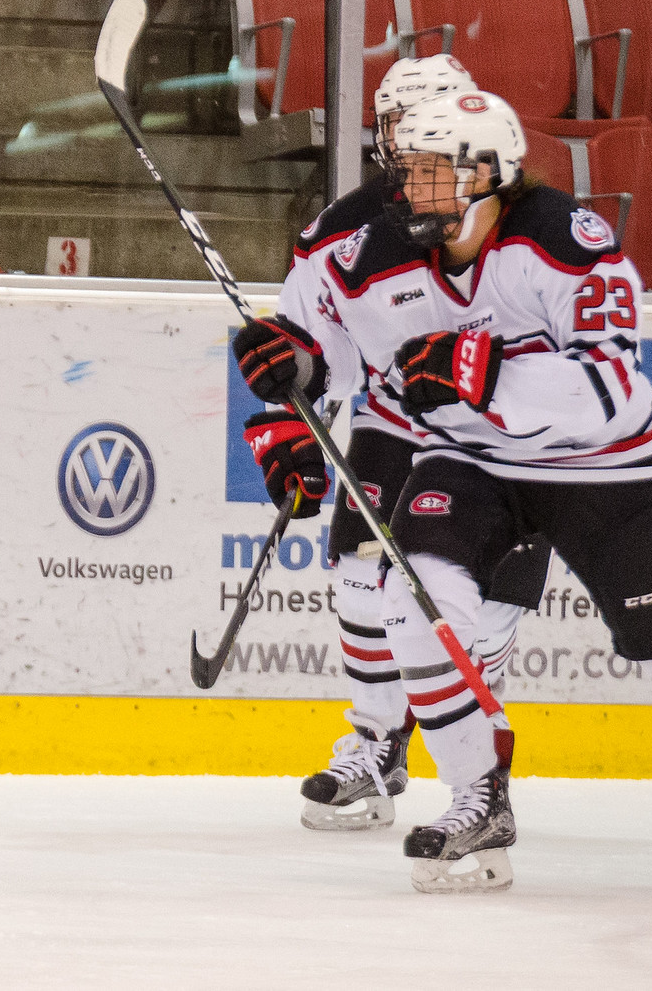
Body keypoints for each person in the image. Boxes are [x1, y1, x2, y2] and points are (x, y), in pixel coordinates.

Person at [238, 89, 652, 893]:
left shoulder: (567, 243)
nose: (404, 188)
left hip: (606, 471)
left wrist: (486, 371)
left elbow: (611, 392)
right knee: (412, 603)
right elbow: (333, 350)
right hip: (469, 464)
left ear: (484, 176)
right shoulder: (380, 253)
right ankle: (477, 798)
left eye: (427, 172)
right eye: (405, 169)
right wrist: (290, 372)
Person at [234, 55, 550, 833]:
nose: (414, 143)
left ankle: (474, 780)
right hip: (397, 422)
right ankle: (378, 744)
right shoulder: (343, 228)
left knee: (478, 615)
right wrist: (289, 425)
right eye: (402, 127)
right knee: (358, 581)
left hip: (502, 436)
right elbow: (306, 343)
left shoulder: (525, 218)